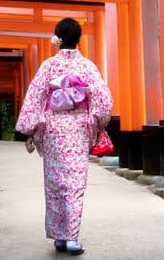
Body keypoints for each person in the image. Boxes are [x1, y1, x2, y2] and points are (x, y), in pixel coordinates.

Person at [15, 17, 112, 255]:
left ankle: (59, 236)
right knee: (75, 183)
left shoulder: (48, 66)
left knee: (55, 182)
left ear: (58, 38)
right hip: (78, 129)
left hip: (54, 130)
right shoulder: (87, 66)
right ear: (79, 39)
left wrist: (29, 128)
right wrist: (99, 123)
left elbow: (35, 95)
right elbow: (103, 100)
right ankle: (71, 238)